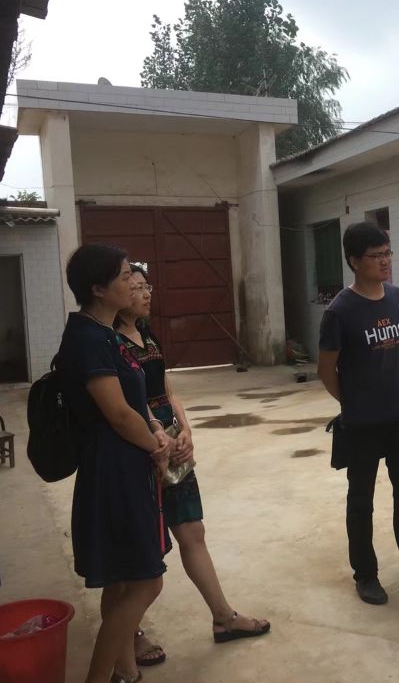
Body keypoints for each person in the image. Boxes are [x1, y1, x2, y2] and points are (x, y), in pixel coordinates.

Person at [115, 266, 270, 667]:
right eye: (136, 287)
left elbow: (167, 388)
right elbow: (124, 408)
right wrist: (158, 442)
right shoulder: (109, 342)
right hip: (141, 451)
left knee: (193, 531)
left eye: (146, 286)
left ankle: (223, 617)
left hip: (173, 445)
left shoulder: (146, 333)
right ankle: (128, 634)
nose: (145, 293)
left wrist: (184, 429)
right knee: (139, 551)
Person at [317, 222, 399, 605]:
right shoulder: (340, 311)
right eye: (376, 256)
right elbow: (326, 370)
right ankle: (366, 574)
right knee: (361, 500)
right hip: (363, 423)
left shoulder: (396, 297)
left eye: (387, 253)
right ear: (354, 261)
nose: (385, 261)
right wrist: (353, 403)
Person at [57, 244, 171, 683]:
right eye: (124, 277)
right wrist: (156, 446)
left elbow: (134, 403)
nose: (134, 284)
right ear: (98, 289)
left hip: (128, 462)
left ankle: (124, 670)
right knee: (146, 581)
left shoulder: (106, 333)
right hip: (114, 470)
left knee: (122, 580)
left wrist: (155, 428)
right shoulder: (88, 339)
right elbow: (118, 414)